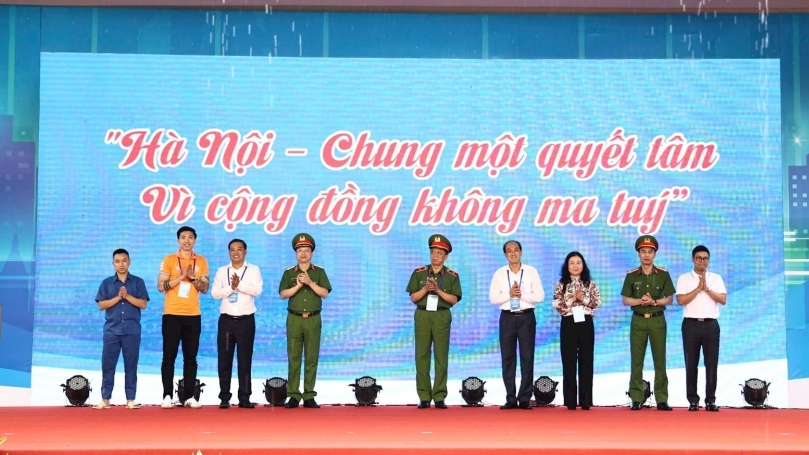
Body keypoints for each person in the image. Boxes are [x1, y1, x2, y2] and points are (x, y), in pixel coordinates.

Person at [407, 234, 463, 409]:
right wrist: (425, 288)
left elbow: (454, 299)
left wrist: (438, 290)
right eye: (433, 252)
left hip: (441, 315)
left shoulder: (452, 276)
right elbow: (414, 298)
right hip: (423, 315)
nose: (435, 256)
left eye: (439, 253)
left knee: (441, 357)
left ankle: (439, 396)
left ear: (446, 256)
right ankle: (424, 396)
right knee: (421, 356)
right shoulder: (419, 273)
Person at [157, 226, 210, 408]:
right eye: (183, 237)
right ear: (178, 240)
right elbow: (160, 286)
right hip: (171, 314)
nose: (187, 240)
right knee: (169, 356)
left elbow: (205, 288)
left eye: (190, 237)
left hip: (193, 315)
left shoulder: (201, 261)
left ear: (195, 240)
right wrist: (181, 277)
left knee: (191, 357)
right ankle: (167, 395)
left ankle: (189, 396)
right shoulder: (169, 259)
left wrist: (193, 278)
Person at [621, 235, 675, 411]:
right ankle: (636, 398)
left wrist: (654, 302)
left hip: (657, 320)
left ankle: (662, 399)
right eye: (643, 251)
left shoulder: (663, 274)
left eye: (650, 252)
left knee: (660, 360)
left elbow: (669, 299)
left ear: (654, 254)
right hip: (638, 320)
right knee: (636, 361)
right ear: (638, 254)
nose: (646, 255)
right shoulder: (631, 275)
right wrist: (640, 301)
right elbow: (625, 300)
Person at [488, 240, 544, 410]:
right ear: (505, 254)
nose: (513, 253)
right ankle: (511, 398)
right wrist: (509, 294)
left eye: (516, 250)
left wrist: (521, 295)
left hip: (526, 317)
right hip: (507, 318)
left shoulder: (531, 271)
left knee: (527, 357)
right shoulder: (499, 273)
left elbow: (540, 296)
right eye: (509, 251)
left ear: (521, 252)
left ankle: (525, 398)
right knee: (507, 358)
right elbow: (493, 298)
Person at [279, 233, 331, 409]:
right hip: (294, 319)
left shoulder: (319, 272)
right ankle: (293, 395)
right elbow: (283, 294)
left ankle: (309, 395)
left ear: (312, 253)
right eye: (300, 250)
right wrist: (298, 285)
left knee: (311, 357)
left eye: (306, 250)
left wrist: (309, 282)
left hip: (313, 319)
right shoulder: (289, 273)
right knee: (294, 357)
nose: (303, 253)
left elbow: (324, 293)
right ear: (296, 253)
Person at [93, 249, 150, 409]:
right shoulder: (106, 283)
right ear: (113, 264)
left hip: (132, 331)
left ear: (129, 262)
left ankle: (130, 399)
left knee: (131, 366)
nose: (121, 264)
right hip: (111, 331)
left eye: (124, 260)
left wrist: (127, 297)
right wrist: (118, 297)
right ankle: (105, 399)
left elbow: (143, 304)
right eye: (117, 261)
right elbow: (101, 305)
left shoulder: (138, 282)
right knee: (108, 365)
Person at [211, 239, 263, 409]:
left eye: (239, 249)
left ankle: (245, 397)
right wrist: (231, 288)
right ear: (229, 252)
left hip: (246, 322)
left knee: (244, 360)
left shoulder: (253, 270)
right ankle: (224, 397)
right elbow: (215, 294)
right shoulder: (222, 271)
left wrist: (239, 284)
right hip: (227, 322)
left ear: (245, 251)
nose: (236, 252)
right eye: (232, 249)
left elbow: (257, 290)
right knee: (224, 360)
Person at [675, 245, 727, 412]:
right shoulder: (684, 278)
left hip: (711, 325)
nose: (702, 261)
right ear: (693, 259)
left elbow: (723, 299)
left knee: (711, 363)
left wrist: (707, 289)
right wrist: (698, 288)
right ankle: (693, 400)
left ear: (708, 260)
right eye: (698, 258)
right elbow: (681, 301)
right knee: (691, 363)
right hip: (691, 325)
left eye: (705, 258)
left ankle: (710, 400)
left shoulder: (716, 278)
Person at [552, 251, 602, 410]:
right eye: (572, 263)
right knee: (568, 360)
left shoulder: (589, 283)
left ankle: (586, 400)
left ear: (583, 265)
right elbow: (556, 304)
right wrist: (573, 299)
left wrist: (583, 299)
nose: (575, 266)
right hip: (568, 322)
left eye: (578, 263)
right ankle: (570, 401)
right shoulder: (562, 283)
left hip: (586, 322)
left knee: (587, 360)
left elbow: (597, 302)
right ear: (567, 266)